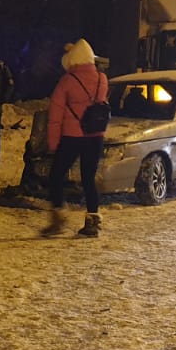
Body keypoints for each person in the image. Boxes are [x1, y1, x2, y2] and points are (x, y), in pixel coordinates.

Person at [43, 38, 108, 237]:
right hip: (95, 136)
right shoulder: (102, 79)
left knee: (56, 175)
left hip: (72, 137)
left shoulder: (67, 81)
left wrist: (53, 143)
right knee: (88, 178)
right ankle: (92, 221)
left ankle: (58, 217)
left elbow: (56, 115)